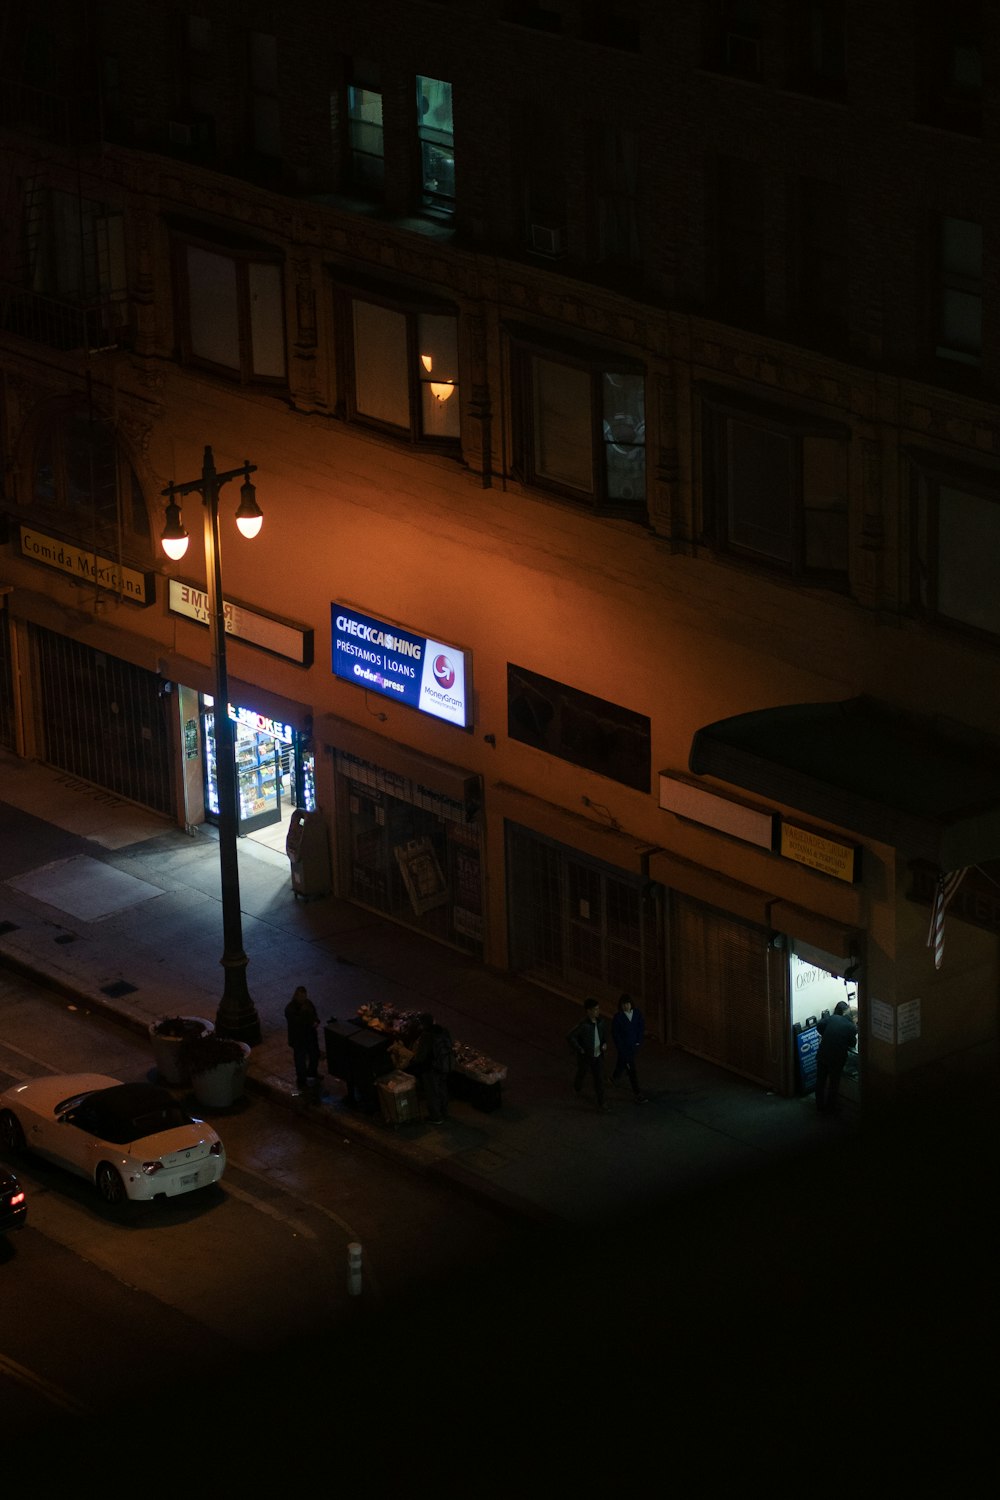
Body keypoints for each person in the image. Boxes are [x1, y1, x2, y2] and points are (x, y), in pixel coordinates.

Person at [814, 1000, 858, 1114]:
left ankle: (819, 1106)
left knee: (820, 1082)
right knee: (833, 1084)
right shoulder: (851, 1028)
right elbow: (852, 1044)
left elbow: (819, 1025)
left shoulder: (833, 1018)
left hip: (823, 1054)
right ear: (855, 1018)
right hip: (836, 1059)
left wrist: (827, 1034)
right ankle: (830, 1108)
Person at [409, 1011, 453, 1124]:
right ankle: (445, 1111)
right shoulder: (443, 1031)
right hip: (445, 1065)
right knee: (443, 1089)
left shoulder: (426, 1036)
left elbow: (420, 1056)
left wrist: (413, 1059)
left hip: (431, 1069)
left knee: (432, 1092)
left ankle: (436, 1117)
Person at [568, 998, 609, 1110]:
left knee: (599, 1079)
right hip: (586, 1056)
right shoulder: (583, 1025)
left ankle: (601, 1102)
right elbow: (571, 1036)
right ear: (588, 1011)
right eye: (595, 1009)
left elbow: (603, 1036)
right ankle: (577, 1086)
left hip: (598, 1055)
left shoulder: (601, 1023)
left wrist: (604, 1044)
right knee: (582, 1072)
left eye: (598, 1009)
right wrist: (580, 1049)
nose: (597, 1011)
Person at [611, 993, 648, 1103]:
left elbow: (640, 1028)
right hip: (625, 1049)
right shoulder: (618, 1018)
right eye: (623, 1004)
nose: (625, 1006)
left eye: (627, 1004)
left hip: (633, 1047)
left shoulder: (637, 1014)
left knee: (621, 1062)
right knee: (632, 1070)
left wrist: (638, 1042)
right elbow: (616, 1035)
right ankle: (637, 1093)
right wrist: (621, 1048)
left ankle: (614, 1077)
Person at [285, 985, 321, 1090]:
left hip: (310, 1036)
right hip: (299, 1038)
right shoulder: (290, 1009)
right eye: (301, 996)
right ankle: (301, 1079)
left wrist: (316, 1021)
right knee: (300, 1059)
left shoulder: (308, 1003)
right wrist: (310, 1022)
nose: (303, 999)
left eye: (304, 996)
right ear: (296, 996)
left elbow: (314, 1014)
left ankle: (312, 1073)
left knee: (314, 1055)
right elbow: (297, 1023)